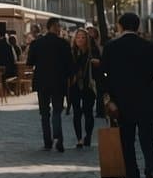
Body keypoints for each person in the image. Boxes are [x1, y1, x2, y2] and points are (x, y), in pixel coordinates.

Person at [100, 12, 153, 178]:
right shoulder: (151, 47)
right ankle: (151, 171)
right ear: (137, 27)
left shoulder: (111, 47)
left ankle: (133, 177)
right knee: (148, 141)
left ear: (120, 26)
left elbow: (104, 76)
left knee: (127, 141)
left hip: (122, 102)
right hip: (148, 101)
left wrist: (109, 100)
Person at [26, 18, 74, 152]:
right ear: (54, 27)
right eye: (59, 27)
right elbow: (70, 65)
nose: (60, 29)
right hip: (59, 81)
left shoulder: (37, 43)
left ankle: (47, 141)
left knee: (45, 113)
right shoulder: (63, 44)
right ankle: (58, 137)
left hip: (42, 82)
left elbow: (30, 62)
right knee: (57, 111)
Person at [67, 28, 100, 149]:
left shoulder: (92, 52)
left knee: (88, 111)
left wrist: (96, 62)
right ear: (74, 39)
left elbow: (101, 65)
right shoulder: (71, 52)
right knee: (76, 112)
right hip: (75, 85)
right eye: (78, 37)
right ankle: (79, 138)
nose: (80, 39)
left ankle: (88, 135)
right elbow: (68, 67)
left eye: (83, 37)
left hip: (88, 85)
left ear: (87, 39)